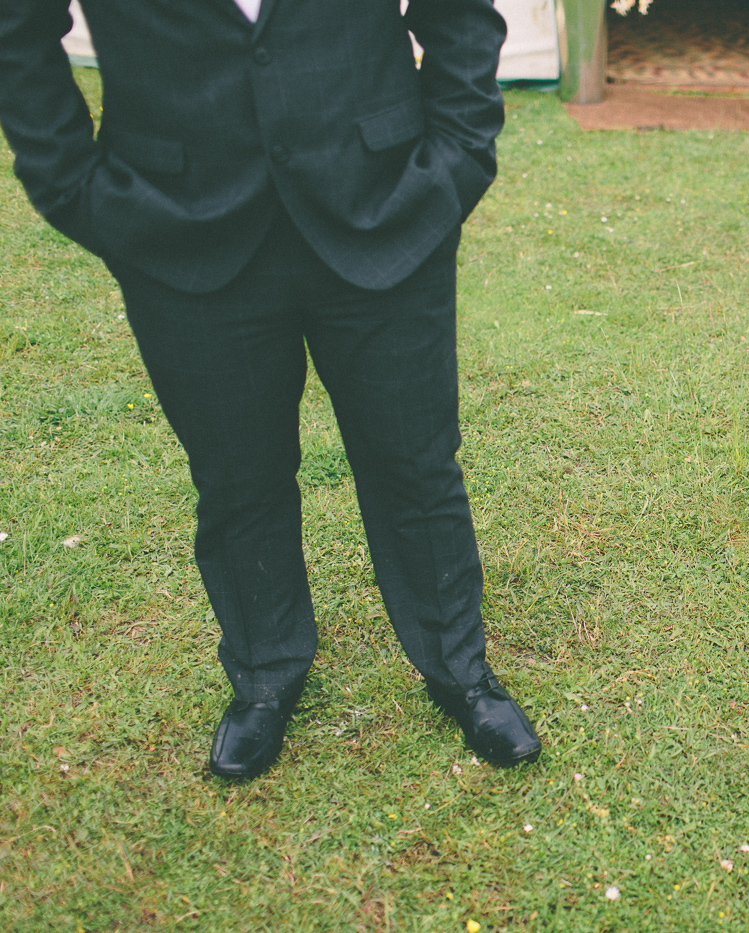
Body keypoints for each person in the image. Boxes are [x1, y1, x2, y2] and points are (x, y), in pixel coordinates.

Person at [0, 0, 542, 778]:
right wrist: (71, 183)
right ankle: (264, 675)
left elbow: (457, 13)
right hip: (178, 219)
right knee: (236, 475)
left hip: (385, 202)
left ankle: (460, 670)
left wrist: (458, 156)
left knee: (416, 462)